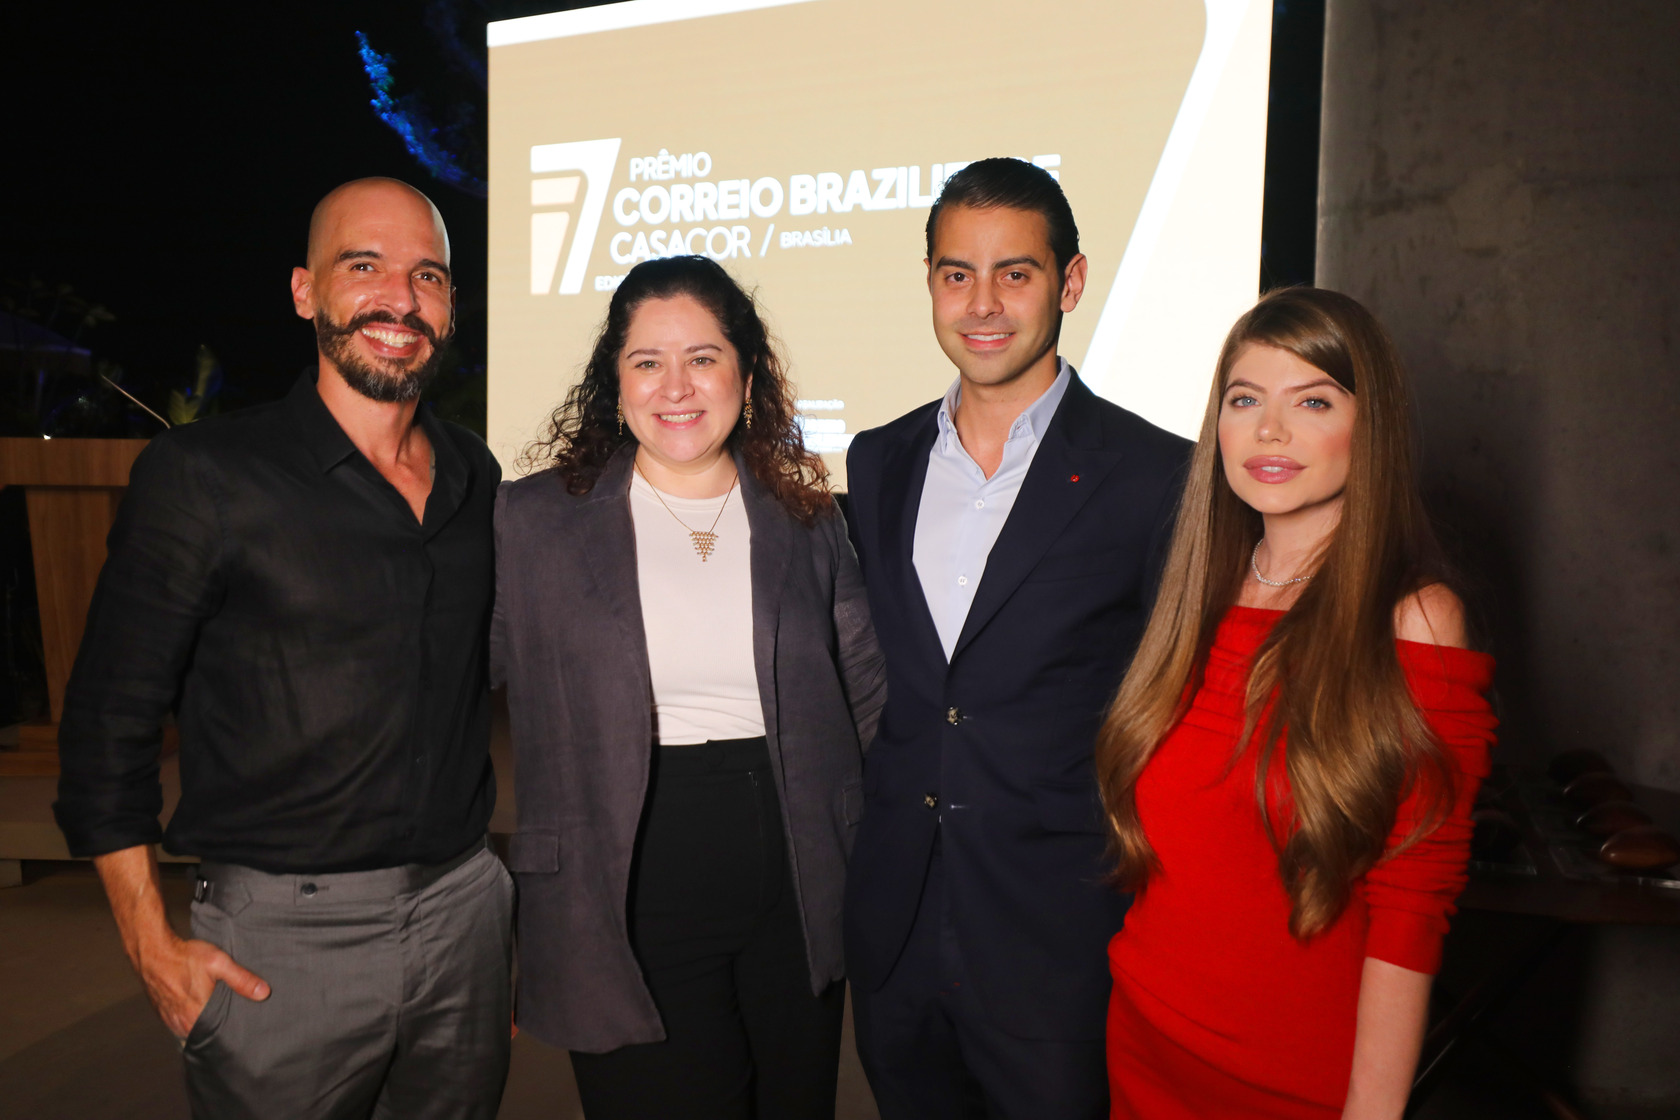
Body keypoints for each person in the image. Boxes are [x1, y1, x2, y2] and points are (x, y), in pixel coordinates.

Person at [53, 179, 513, 1119]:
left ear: (452, 303)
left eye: (428, 274)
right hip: (283, 945)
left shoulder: (474, 470)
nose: (400, 296)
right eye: (365, 266)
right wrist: (150, 944)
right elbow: (108, 722)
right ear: (306, 292)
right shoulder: (204, 477)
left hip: (465, 918)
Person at [493, 254, 886, 1120]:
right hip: (628, 871)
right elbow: (455, 688)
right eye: (647, 361)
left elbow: (868, 699)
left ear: (746, 374)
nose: (677, 386)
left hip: (795, 863)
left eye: (703, 357)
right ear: (615, 381)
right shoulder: (533, 521)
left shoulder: (807, 516)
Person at [842, 157, 1192, 1118]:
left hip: (1058, 938)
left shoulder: (1156, 475)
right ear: (929, 286)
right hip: (898, 926)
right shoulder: (876, 461)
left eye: (1016, 272)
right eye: (957, 273)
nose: (983, 303)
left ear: (1070, 282)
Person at [1096, 287, 1499, 1119]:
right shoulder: (1198, 596)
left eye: (1312, 401)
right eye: (1245, 401)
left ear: (1370, 426)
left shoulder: (1415, 619)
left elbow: (1411, 908)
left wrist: (1373, 1111)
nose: (1269, 431)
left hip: (1291, 1084)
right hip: (1142, 1042)